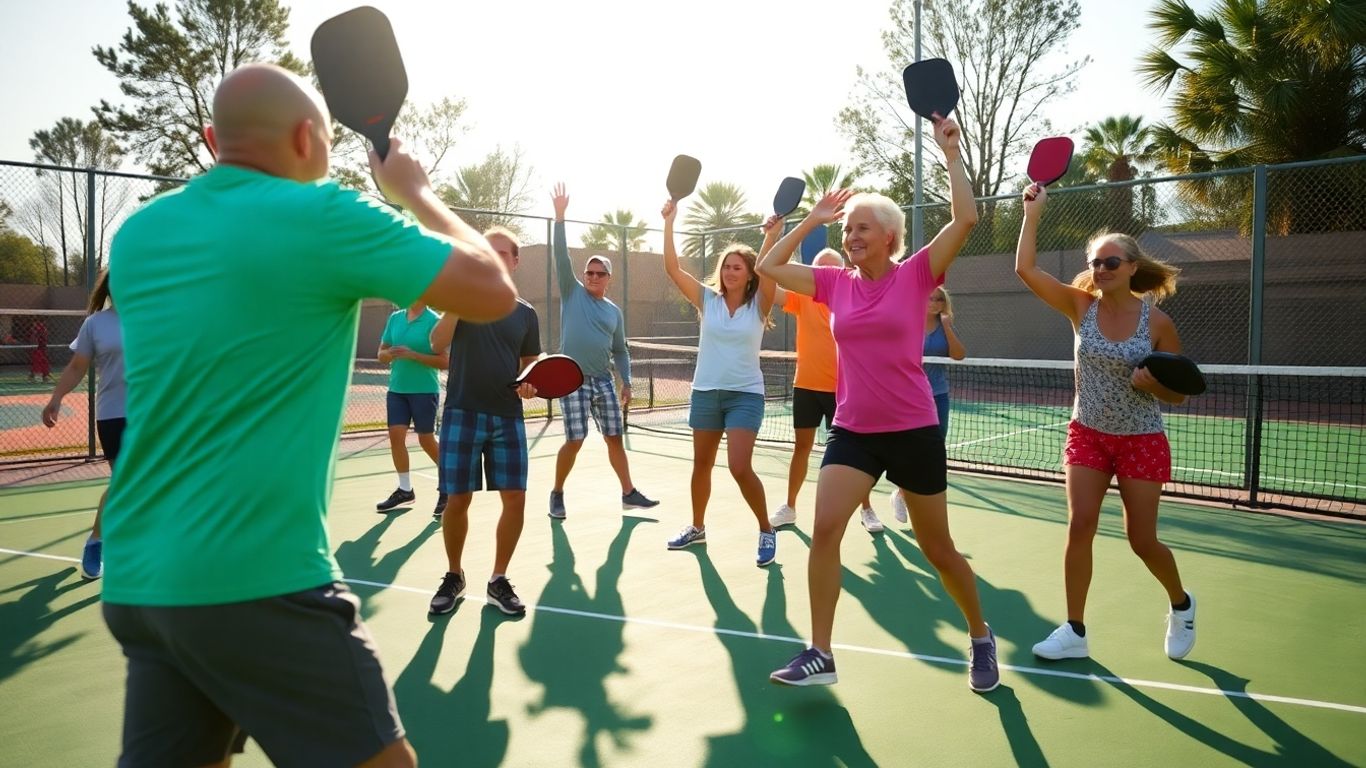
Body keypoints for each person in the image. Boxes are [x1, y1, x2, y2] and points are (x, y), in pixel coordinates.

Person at [100, 63, 516, 768]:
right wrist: (414, 191)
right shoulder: (325, 217)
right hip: (257, 574)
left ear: (210, 139)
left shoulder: (138, 238)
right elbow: (493, 290)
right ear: (305, 138)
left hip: (139, 580)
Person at [759, 117, 1000, 693]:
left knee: (939, 549)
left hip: (914, 427)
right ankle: (821, 651)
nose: (851, 235)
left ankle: (980, 635)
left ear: (890, 236)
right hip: (854, 430)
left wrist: (952, 153)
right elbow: (769, 267)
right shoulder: (835, 283)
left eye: (861, 227)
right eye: (847, 229)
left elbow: (966, 217)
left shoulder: (917, 274)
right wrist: (810, 221)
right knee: (824, 531)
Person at [1014, 183, 1196, 662]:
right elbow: (1025, 269)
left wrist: (1150, 385)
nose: (1101, 269)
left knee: (1142, 540)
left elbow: (1177, 392)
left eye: (1111, 262)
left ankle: (1181, 603)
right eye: (1096, 262)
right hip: (1088, 433)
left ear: (1132, 268)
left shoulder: (1157, 323)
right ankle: (1074, 629)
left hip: (1141, 439)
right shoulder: (1081, 307)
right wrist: (1033, 214)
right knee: (1080, 526)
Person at [427, 227, 541, 617]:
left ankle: (498, 580)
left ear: (514, 260)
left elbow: (531, 365)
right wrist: (460, 301)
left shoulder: (526, 313)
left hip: (508, 416)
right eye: (485, 252)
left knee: (516, 498)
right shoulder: (458, 299)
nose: (493, 258)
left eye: (501, 253)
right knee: (457, 499)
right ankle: (454, 575)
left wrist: (531, 385)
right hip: (462, 411)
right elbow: (435, 342)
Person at [660, 199, 779, 566]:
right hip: (706, 394)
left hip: (745, 395)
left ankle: (765, 528)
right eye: (726, 266)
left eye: (737, 267)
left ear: (749, 273)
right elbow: (672, 268)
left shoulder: (761, 302)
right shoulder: (707, 300)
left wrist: (773, 234)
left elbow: (770, 265)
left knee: (740, 467)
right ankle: (697, 527)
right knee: (701, 466)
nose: (730, 272)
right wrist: (669, 222)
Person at [546, 183, 658, 519]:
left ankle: (628, 493)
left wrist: (626, 380)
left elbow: (620, 351)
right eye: (589, 272)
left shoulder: (614, 312)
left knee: (614, 438)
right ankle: (557, 493)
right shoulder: (572, 291)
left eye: (600, 273)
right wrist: (561, 218)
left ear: (608, 278)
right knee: (575, 439)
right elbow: (560, 256)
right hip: (571, 379)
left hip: (603, 382)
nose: (593, 277)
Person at [770, 247, 883, 534]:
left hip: (844, 390)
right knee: (801, 448)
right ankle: (790, 507)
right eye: (820, 268)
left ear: (843, 270)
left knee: (854, 454)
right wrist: (771, 243)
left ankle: (866, 509)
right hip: (805, 386)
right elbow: (769, 288)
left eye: (832, 268)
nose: (826, 273)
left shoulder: (854, 299)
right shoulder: (802, 297)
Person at [41, 268, 122, 580]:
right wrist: (56, 398)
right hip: (114, 413)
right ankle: (96, 541)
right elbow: (77, 366)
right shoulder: (96, 324)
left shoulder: (156, 319)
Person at [891, 285, 966, 523]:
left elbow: (959, 355)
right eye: (930, 298)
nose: (933, 303)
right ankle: (902, 494)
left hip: (938, 395)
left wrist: (946, 326)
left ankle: (915, 498)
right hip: (910, 395)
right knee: (910, 448)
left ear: (944, 304)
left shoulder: (945, 328)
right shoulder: (909, 324)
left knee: (935, 449)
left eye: (939, 300)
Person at [374, 301, 447, 515]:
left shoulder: (435, 321)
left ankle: (449, 485)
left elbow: (445, 361)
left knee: (426, 439)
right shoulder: (395, 319)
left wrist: (413, 355)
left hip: (424, 391)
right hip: (397, 390)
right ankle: (405, 490)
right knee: (396, 437)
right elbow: (381, 353)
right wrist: (389, 354)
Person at [28, 315, 51, 382]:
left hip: (40, 346)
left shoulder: (40, 328)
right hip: (37, 346)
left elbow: (43, 336)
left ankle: (41, 375)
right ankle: (38, 375)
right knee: (38, 360)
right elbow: (33, 337)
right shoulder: (37, 328)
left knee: (41, 360)